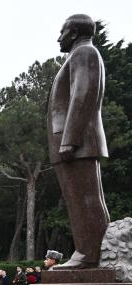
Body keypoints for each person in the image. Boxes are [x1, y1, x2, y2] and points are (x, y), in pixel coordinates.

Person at [48, 14, 110, 269]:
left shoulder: (84, 52)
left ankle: (88, 253)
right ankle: (91, 251)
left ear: (73, 33)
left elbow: (83, 94)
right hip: (74, 143)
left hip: (77, 143)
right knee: (80, 199)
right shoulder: (80, 55)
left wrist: (70, 140)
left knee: (84, 199)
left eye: (62, 32)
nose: (58, 38)